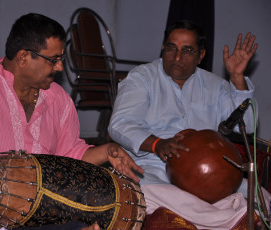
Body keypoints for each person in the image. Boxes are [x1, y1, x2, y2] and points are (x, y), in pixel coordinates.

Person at [0, 13, 143, 230]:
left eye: (61, 60)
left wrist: (107, 151)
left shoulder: (59, 100)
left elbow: (70, 155)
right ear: (23, 57)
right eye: (53, 60)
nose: (59, 67)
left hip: (41, 209)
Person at [108, 20, 270, 229]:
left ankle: (214, 213)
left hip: (208, 175)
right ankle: (223, 217)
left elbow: (245, 126)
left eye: (187, 50)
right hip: (154, 167)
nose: (177, 57)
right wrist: (157, 144)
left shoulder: (215, 85)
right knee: (140, 193)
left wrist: (237, 78)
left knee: (261, 197)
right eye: (171, 48)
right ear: (163, 47)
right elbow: (120, 124)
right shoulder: (142, 78)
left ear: (201, 55)